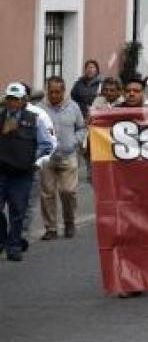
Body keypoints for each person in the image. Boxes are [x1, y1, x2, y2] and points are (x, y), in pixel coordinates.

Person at [0, 83, 56, 261]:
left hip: (22, 175)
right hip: (1, 173)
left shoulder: (35, 119)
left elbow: (47, 145)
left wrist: (34, 161)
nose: (12, 102)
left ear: (24, 100)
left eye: (16, 99)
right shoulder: (0, 118)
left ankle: (14, 246)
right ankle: (2, 239)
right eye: (10, 99)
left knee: (18, 212)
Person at [39, 77, 87, 240]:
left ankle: (69, 222)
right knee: (47, 193)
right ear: (47, 91)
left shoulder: (73, 107)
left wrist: (75, 141)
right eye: (51, 92)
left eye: (57, 92)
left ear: (63, 91)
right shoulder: (39, 108)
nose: (54, 95)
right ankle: (51, 228)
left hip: (68, 156)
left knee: (68, 191)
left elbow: (81, 128)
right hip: (47, 158)